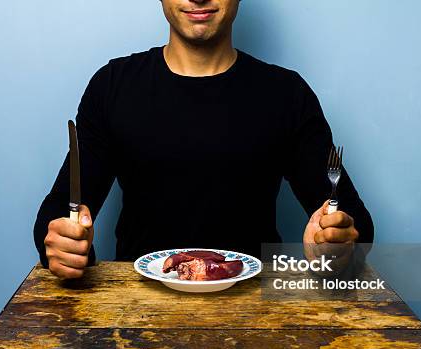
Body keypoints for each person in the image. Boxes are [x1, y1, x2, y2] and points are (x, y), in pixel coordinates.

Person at [34, 0, 373, 279]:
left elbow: (354, 222)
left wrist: (336, 246)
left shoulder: (287, 94)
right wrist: (65, 244)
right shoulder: (112, 87)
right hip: (138, 313)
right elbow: (59, 210)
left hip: (257, 315)